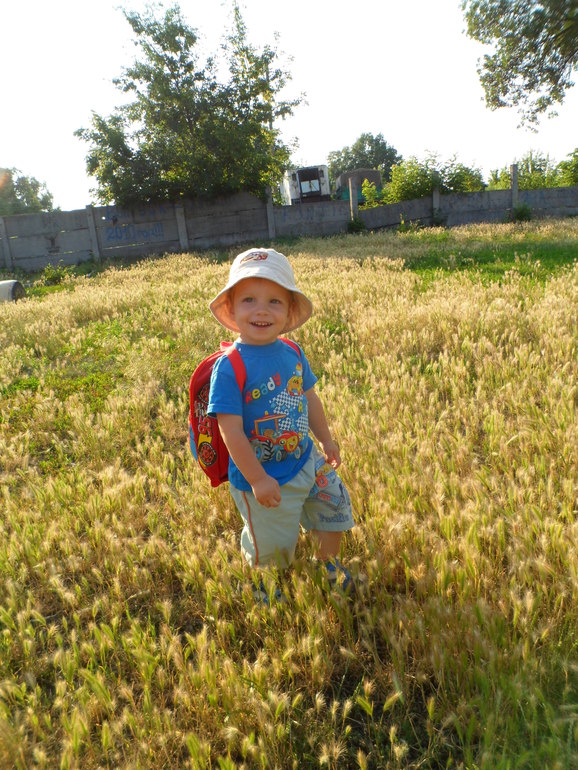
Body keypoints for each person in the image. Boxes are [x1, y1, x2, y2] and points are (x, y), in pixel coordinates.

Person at [207, 247, 354, 603]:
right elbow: (230, 431)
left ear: (289, 311)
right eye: (249, 300)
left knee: (334, 507)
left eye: (274, 301)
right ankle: (266, 585)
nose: (261, 310)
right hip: (262, 473)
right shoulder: (229, 367)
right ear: (231, 309)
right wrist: (258, 479)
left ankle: (328, 565)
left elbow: (309, 398)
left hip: (305, 458)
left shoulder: (292, 352)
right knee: (273, 544)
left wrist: (326, 440)